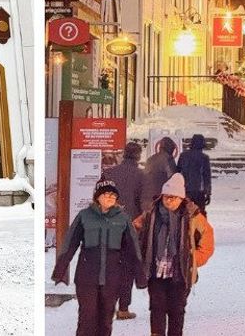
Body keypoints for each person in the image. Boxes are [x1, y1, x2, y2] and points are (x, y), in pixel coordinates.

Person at [53, 179, 144, 336]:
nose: (110, 197)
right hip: (87, 277)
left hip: (112, 278)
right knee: (86, 319)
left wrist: (140, 276)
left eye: (113, 195)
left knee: (105, 320)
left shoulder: (123, 219)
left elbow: (133, 249)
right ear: (97, 197)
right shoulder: (84, 216)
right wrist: (60, 269)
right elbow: (70, 243)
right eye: (106, 193)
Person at [134, 173, 215, 336]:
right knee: (156, 308)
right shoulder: (151, 212)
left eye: (173, 197)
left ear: (181, 198)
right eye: (166, 197)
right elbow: (134, 229)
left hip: (181, 272)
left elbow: (207, 236)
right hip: (155, 271)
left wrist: (194, 259)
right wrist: (138, 254)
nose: (169, 200)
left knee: (177, 310)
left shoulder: (192, 215)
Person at [102, 142, 145, 320]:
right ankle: (123, 308)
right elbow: (144, 203)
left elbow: (99, 197)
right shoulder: (142, 175)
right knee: (127, 268)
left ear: (124, 154)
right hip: (131, 227)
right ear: (138, 156)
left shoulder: (109, 173)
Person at [175, 134, 212, 213]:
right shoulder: (204, 158)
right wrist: (208, 193)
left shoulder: (183, 156)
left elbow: (177, 173)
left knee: (185, 214)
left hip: (184, 191)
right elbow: (206, 177)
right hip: (199, 192)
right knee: (199, 215)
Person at [143, 137, 179, 207]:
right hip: (163, 195)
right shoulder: (168, 160)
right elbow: (172, 178)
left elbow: (145, 175)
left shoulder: (150, 159)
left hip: (149, 195)